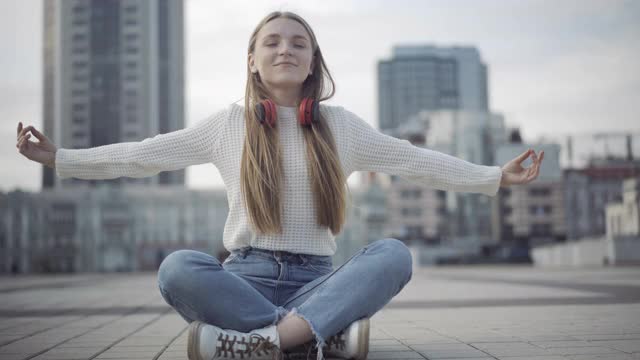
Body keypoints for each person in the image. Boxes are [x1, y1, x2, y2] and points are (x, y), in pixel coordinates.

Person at [16, 10, 544, 360]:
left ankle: (264, 342)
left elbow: (415, 161)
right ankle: (317, 335)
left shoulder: (341, 127)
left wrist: (494, 176)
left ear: (313, 61)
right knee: (178, 268)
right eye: (272, 42)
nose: (285, 49)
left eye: (298, 43)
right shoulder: (226, 126)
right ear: (253, 60)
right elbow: (142, 155)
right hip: (242, 278)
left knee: (393, 255)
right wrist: (59, 158)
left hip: (318, 279)